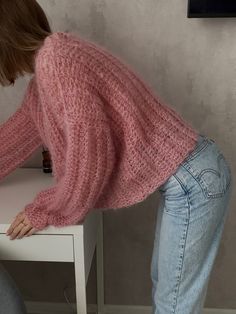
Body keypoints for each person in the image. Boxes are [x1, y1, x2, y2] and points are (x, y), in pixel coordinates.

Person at [0, 0, 232, 313]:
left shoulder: (57, 58)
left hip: (194, 180)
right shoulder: (44, 81)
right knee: (168, 293)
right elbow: (11, 141)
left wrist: (47, 207)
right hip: (192, 177)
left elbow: (91, 152)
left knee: (173, 303)